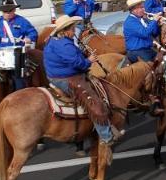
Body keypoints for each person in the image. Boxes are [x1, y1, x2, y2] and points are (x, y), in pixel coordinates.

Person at [43, 15, 121, 146]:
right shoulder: (64, 45)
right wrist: (89, 61)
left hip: (56, 74)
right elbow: (77, 63)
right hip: (66, 78)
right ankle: (106, 136)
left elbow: (72, 56)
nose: (74, 32)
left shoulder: (54, 40)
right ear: (65, 31)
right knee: (94, 102)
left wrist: (82, 53)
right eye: (73, 29)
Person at [0, 0, 38, 90]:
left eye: (10, 11)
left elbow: (33, 32)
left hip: (18, 53)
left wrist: (29, 38)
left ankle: (20, 92)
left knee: (18, 77)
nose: (8, 13)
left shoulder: (22, 21)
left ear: (14, 10)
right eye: (5, 11)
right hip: (0, 53)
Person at [121, 0, 160, 64]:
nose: (144, 10)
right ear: (134, 10)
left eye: (143, 7)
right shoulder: (130, 22)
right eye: (141, 8)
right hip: (136, 51)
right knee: (152, 69)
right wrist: (154, 21)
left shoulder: (142, 19)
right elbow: (145, 34)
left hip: (147, 49)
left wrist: (157, 23)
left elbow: (154, 33)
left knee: (164, 59)